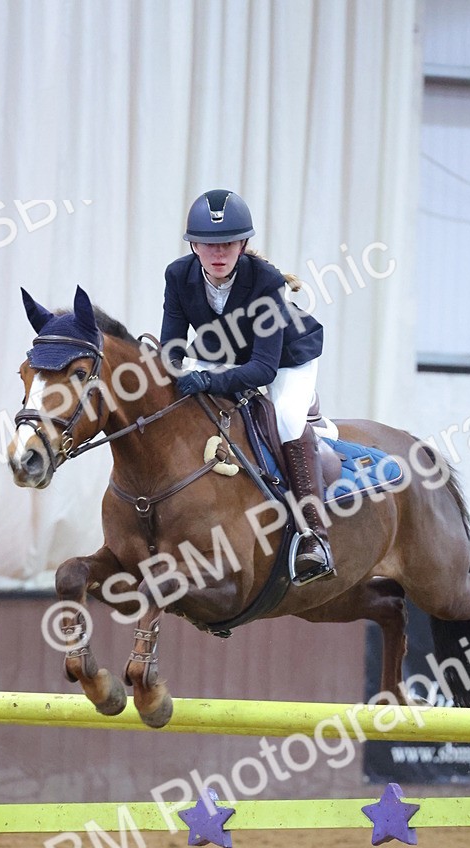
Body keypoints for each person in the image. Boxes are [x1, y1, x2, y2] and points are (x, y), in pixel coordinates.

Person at [159, 188, 335, 585]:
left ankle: (313, 536)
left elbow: (263, 370)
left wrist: (206, 378)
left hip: (285, 359)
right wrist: (167, 374)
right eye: (207, 244)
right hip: (225, 355)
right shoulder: (177, 275)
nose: (217, 253)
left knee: (287, 421)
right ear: (194, 246)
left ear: (243, 244)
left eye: (227, 243)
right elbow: (172, 344)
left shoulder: (266, 281)